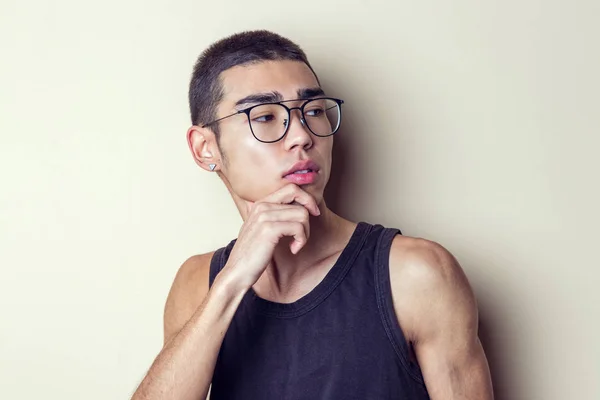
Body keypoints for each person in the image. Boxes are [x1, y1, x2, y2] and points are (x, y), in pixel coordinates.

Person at [131, 30, 494, 400]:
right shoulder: (198, 283)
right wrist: (233, 281)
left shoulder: (416, 274)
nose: (302, 135)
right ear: (206, 148)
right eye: (265, 116)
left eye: (314, 111)